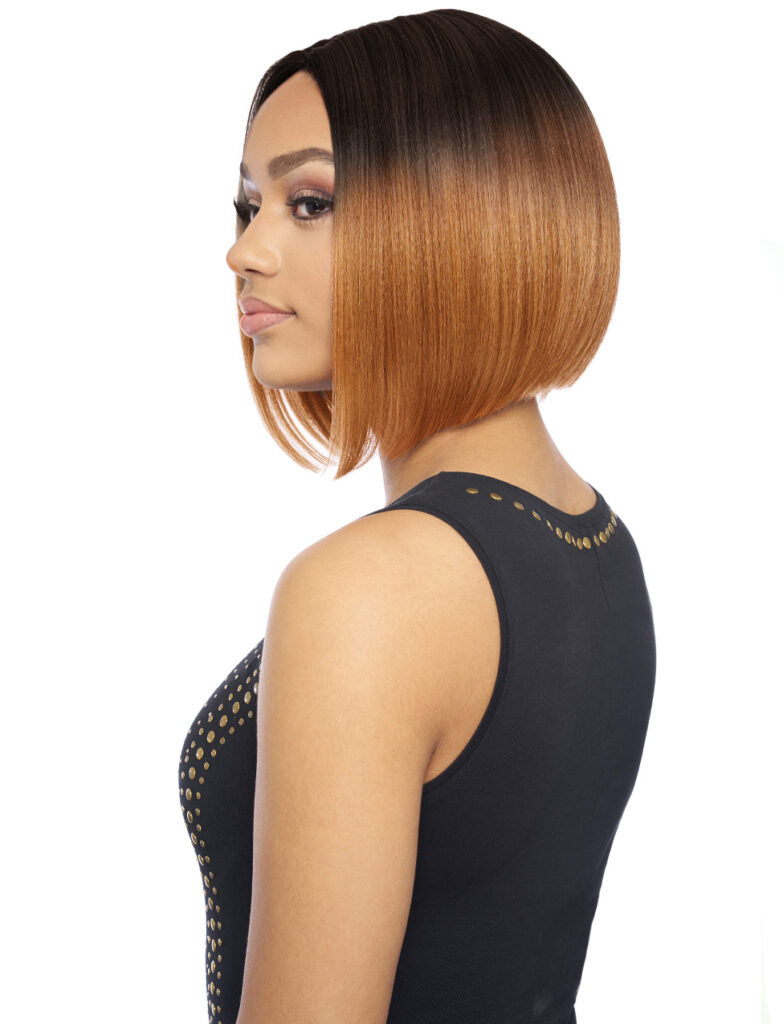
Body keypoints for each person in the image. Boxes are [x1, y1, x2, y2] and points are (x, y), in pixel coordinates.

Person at [177, 9, 657, 1024]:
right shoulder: (597, 540)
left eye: (309, 203)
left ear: (456, 219)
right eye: (248, 204)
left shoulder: (370, 589)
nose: (244, 252)